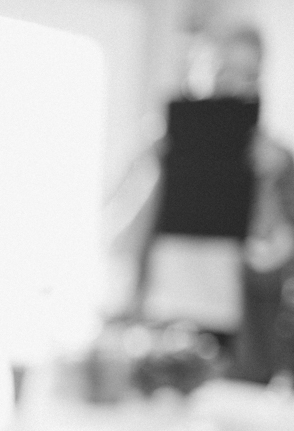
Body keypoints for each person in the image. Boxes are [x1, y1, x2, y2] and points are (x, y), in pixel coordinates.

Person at [108, 22, 294, 383]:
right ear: (199, 71)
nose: (233, 84)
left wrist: (266, 185)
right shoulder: (164, 147)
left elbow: (274, 264)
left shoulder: (277, 162)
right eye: (223, 70)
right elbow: (118, 241)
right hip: (158, 321)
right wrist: (146, 171)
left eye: (248, 75)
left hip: (235, 341)